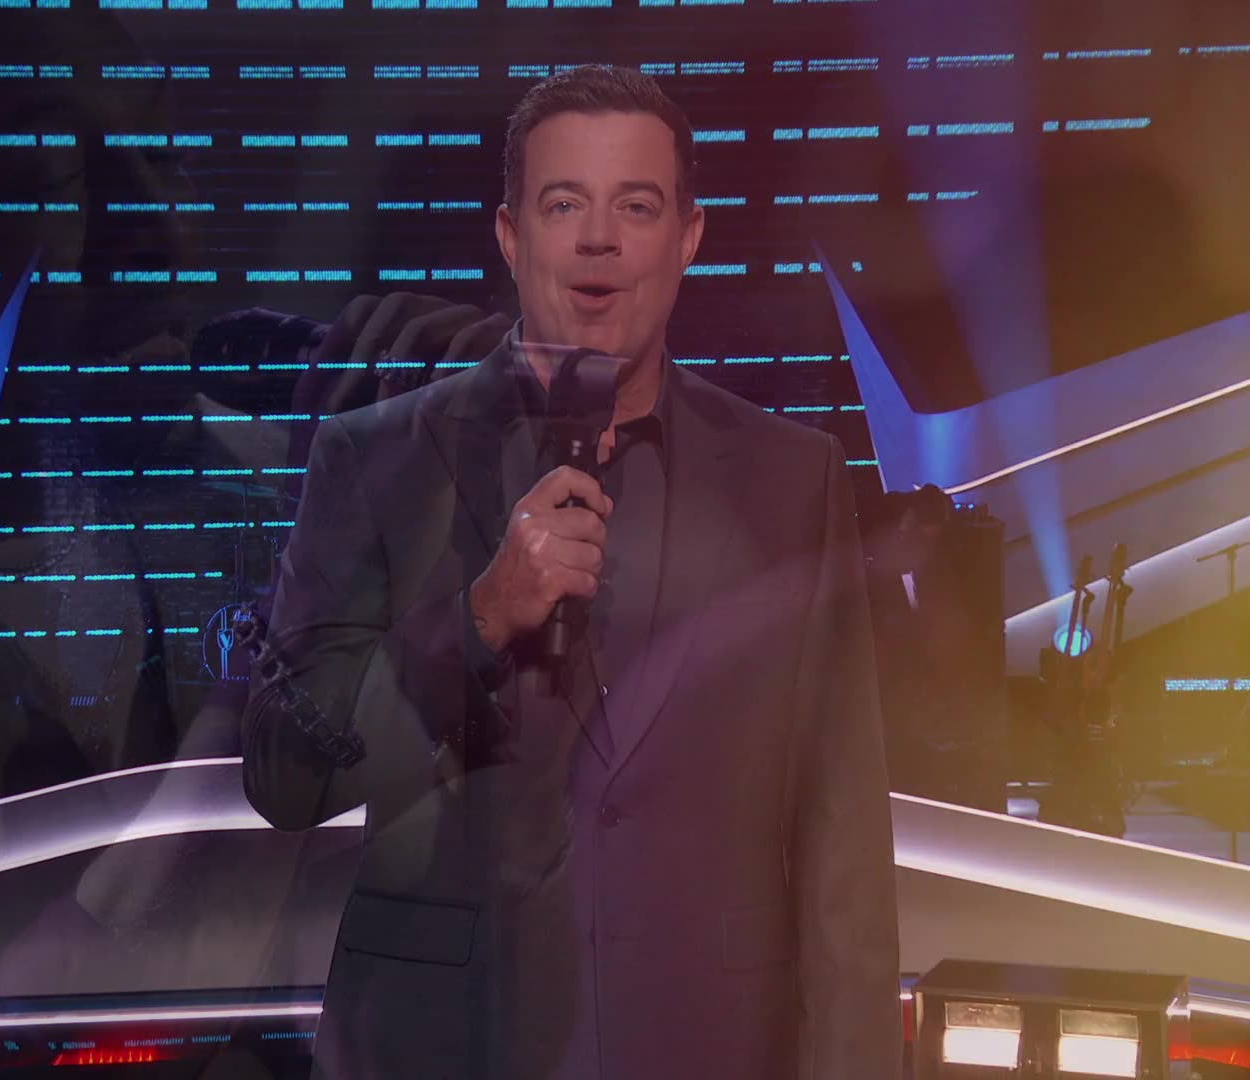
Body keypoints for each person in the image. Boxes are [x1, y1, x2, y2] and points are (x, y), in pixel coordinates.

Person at [242, 64, 899, 1078]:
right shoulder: (376, 461)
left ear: (688, 237)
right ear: (511, 236)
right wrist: (477, 620)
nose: (599, 239)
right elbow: (287, 774)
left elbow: (842, 846)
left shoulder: (791, 479)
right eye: (564, 205)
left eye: (636, 206)